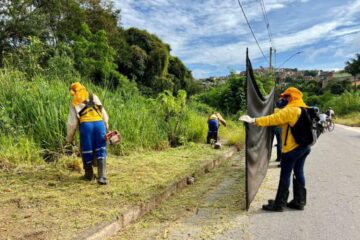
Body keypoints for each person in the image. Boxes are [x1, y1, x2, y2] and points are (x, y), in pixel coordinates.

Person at [239, 87, 311, 211]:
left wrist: (253, 120)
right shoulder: (304, 109)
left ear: (292, 97)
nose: (283, 99)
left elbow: (272, 119)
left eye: (286, 96)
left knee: (285, 175)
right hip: (304, 148)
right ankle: (300, 201)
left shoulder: (291, 111)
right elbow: (280, 119)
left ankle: (279, 204)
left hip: (292, 150)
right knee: (299, 172)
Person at [66, 82, 109, 185]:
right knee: (101, 148)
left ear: (73, 91)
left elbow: (72, 124)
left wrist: (69, 138)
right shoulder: (93, 96)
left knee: (87, 150)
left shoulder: (74, 102)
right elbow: (104, 113)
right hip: (99, 124)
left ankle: (89, 175)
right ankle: (102, 177)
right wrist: (106, 125)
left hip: (86, 126)